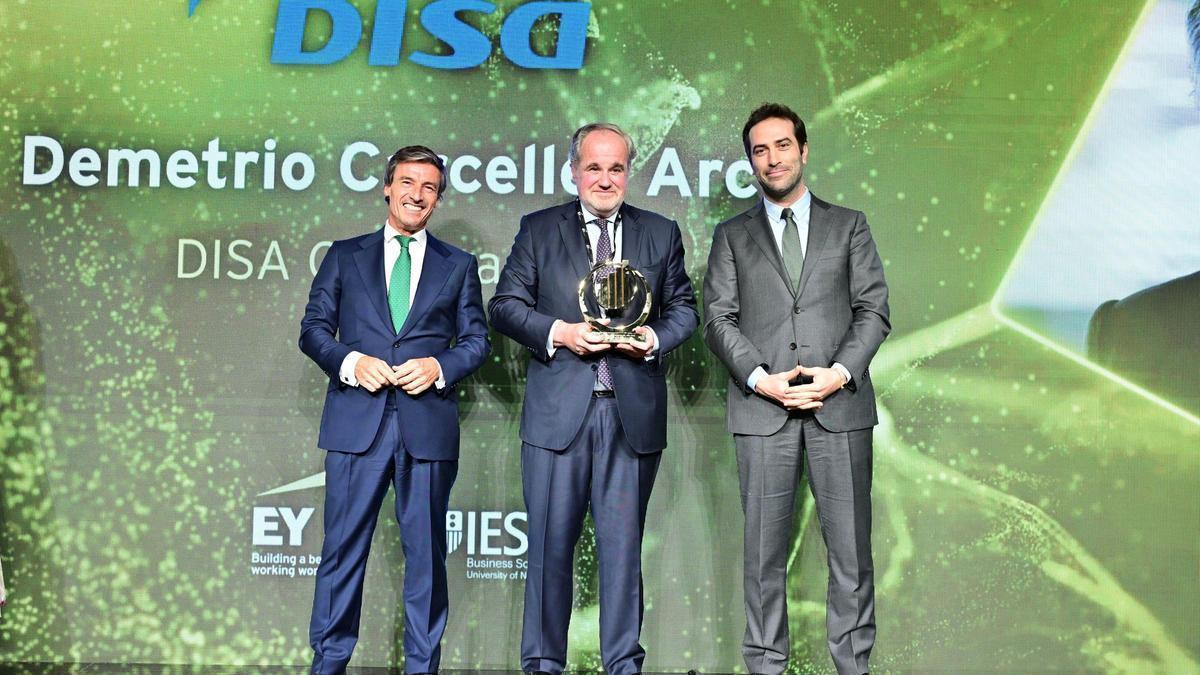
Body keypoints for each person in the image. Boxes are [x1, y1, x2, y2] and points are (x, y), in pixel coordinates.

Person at [489, 122, 698, 675]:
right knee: (549, 551)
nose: (604, 179)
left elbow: (684, 310)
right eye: (593, 167)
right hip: (560, 414)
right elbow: (505, 305)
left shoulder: (660, 232)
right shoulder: (538, 229)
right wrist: (561, 332)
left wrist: (651, 338)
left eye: (616, 168)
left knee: (622, 554)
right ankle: (541, 664)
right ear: (574, 170)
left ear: (629, 172)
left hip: (630, 416)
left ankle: (623, 665)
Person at [703, 103, 890, 675]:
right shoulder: (731, 234)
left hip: (841, 408)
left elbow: (874, 310)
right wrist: (763, 381)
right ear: (750, 162)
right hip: (764, 411)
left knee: (851, 555)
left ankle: (853, 666)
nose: (772, 158)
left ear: (803, 151)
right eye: (760, 150)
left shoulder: (849, 224)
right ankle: (765, 665)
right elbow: (717, 319)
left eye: (782, 145)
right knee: (763, 557)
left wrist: (837, 374)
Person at [299, 145, 490, 675]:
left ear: (438, 198)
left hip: (426, 427)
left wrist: (439, 367)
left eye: (429, 187)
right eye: (407, 182)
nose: (416, 194)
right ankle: (329, 663)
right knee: (341, 552)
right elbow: (313, 331)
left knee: (426, 558)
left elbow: (477, 342)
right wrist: (351, 361)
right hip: (356, 423)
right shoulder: (344, 255)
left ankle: (421, 668)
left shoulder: (459, 265)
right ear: (387, 187)